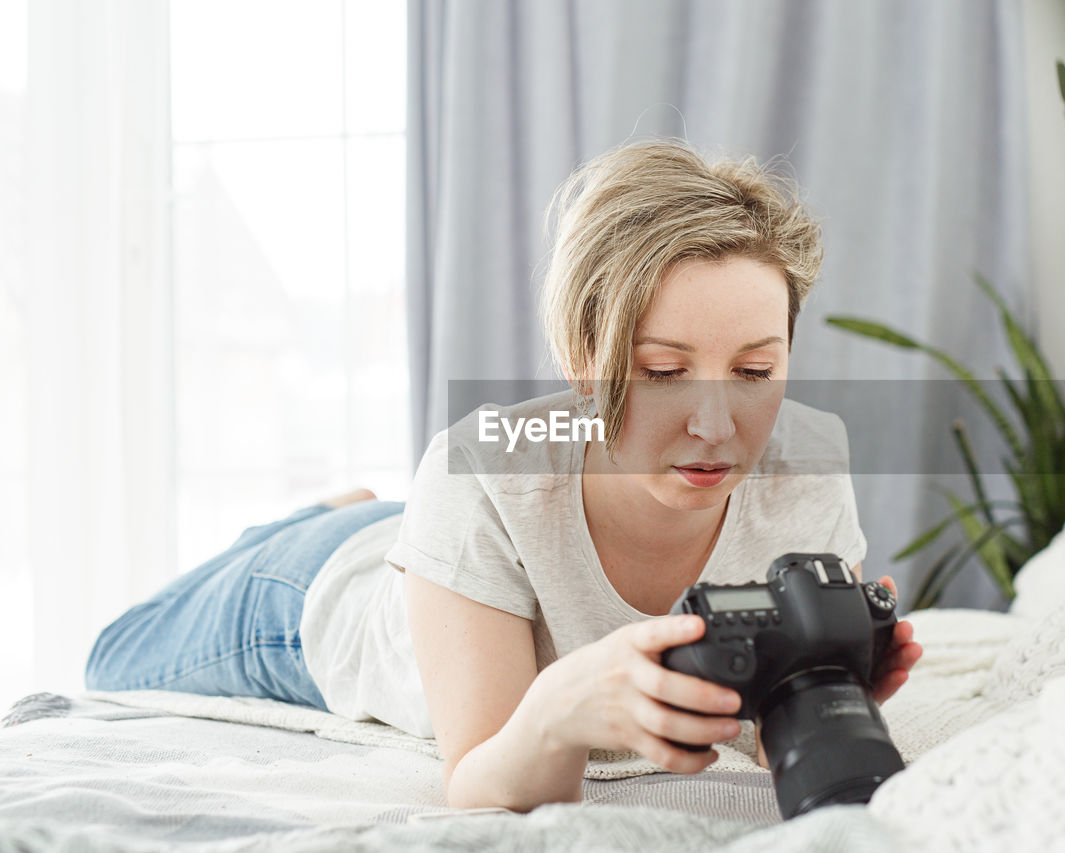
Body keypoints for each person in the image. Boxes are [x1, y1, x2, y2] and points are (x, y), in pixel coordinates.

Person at [86, 138, 923, 812]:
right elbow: (482, 780)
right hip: (315, 595)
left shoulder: (807, 460)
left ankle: (378, 515)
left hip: (449, 541)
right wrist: (560, 706)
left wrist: (828, 683)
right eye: (665, 372)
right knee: (109, 656)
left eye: (753, 372)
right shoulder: (477, 471)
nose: (715, 425)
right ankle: (325, 517)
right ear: (584, 359)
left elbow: (773, 727)